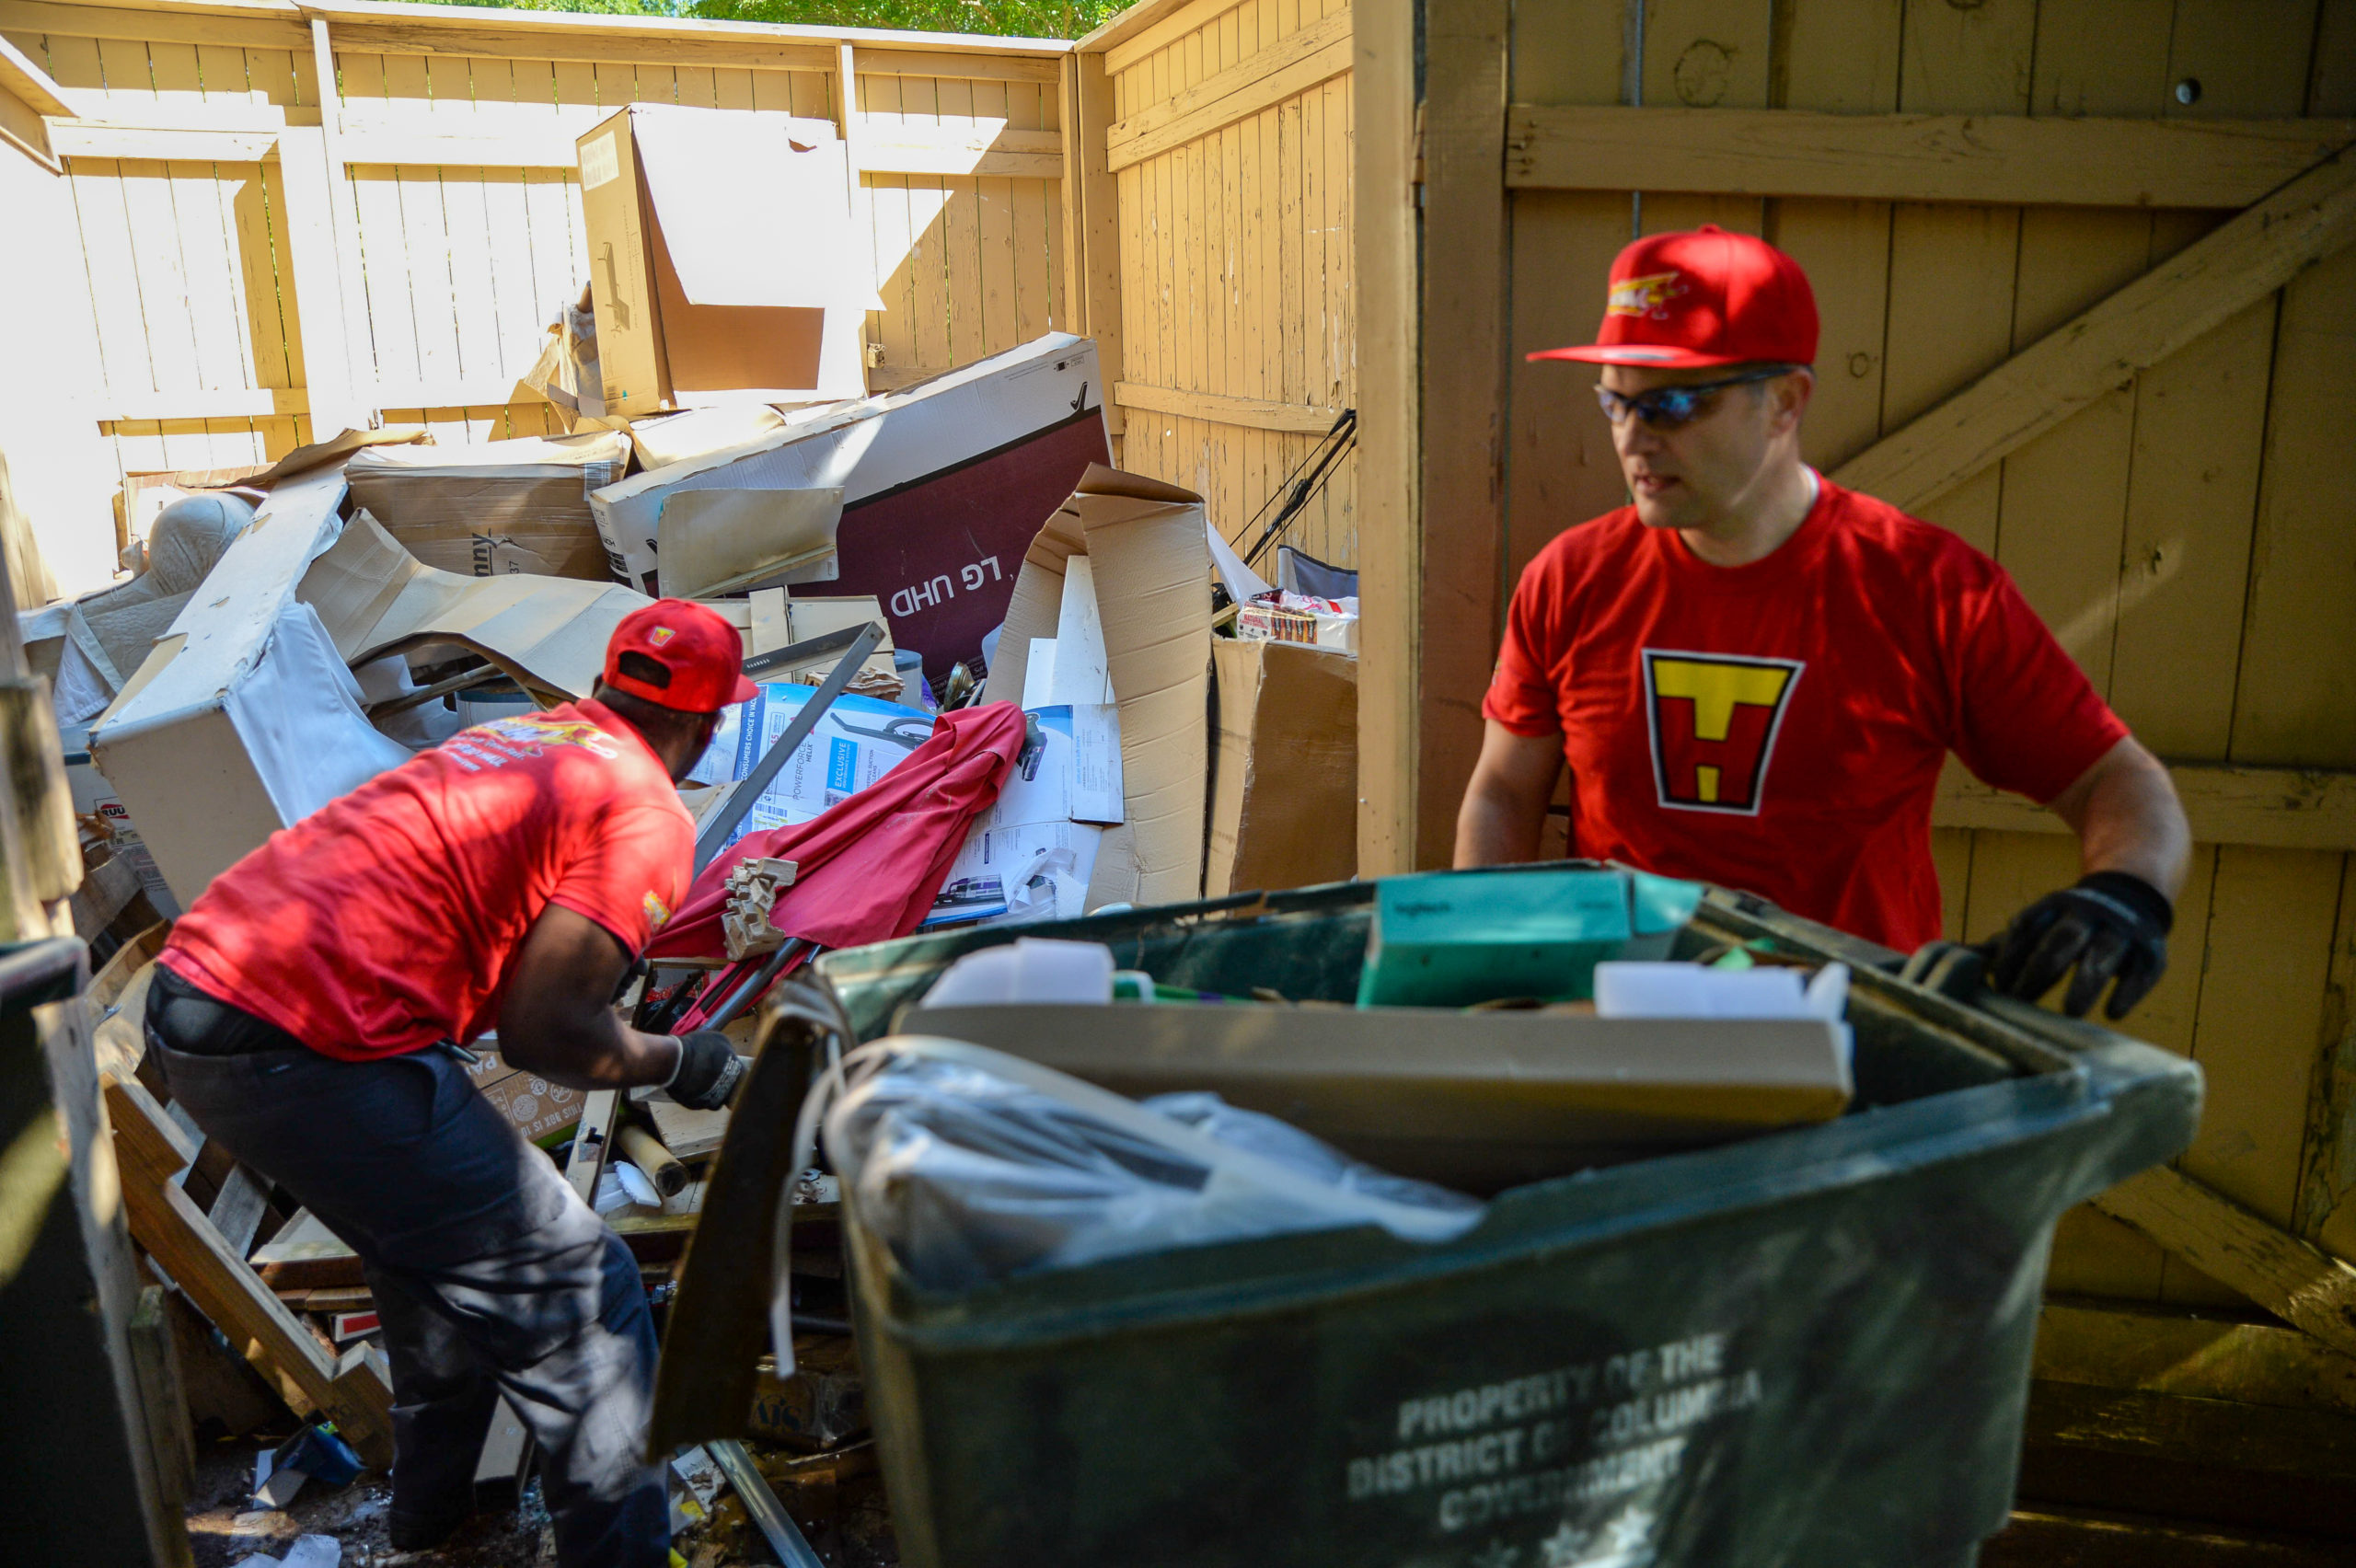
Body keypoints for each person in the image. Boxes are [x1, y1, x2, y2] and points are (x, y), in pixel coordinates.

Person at [144, 600, 758, 1568]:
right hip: (303, 1039)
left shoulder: (526, 735)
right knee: (583, 1294)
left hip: (200, 997)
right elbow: (548, 1033)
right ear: (703, 723)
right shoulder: (644, 807)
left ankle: (437, 1528)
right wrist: (687, 1060)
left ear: (604, 685)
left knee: (432, 1259)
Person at [1458, 225, 2190, 1020]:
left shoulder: (1927, 590)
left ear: (1784, 402)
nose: (1634, 435)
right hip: (1613, 1025)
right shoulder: (1570, 580)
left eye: (1673, 402)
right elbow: (1503, 789)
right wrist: (1481, 973)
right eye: (1615, 399)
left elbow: (2111, 777)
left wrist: (2126, 894)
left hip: (1848, 1045)